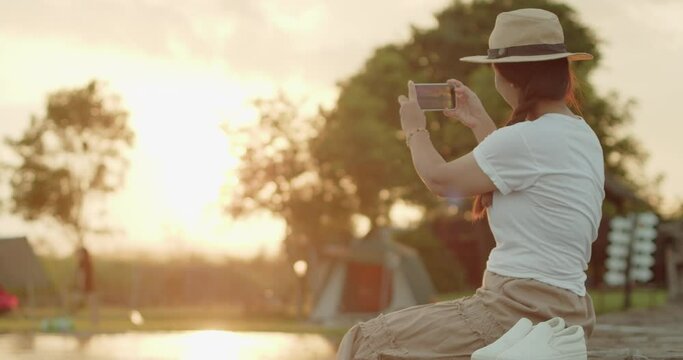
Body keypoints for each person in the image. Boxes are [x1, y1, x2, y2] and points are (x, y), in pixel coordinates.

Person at [337, 8, 604, 359]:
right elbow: (520, 174)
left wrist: (415, 129)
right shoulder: (581, 135)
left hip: (517, 309)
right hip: (568, 311)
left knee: (365, 342)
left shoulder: (527, 138)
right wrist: (479, 122)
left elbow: (439, 178)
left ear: (508, 77)